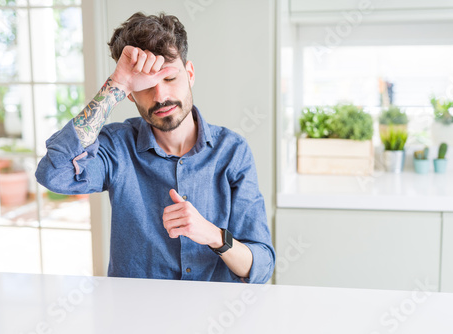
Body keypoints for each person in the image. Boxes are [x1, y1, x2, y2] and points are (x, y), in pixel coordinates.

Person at [35, 12, 275, 284]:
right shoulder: (117, 147)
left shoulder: (232, 152)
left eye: (169, 79)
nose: (160, 96)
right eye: (145, 85)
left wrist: (211, 234)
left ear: (190, 74)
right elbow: (54, 173)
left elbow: (261, 266)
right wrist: (116, 84)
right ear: (130, 94)